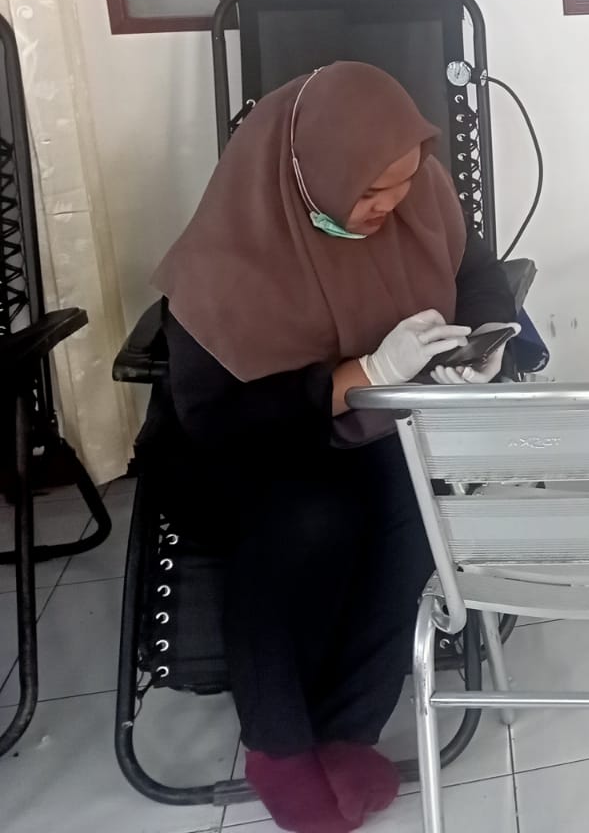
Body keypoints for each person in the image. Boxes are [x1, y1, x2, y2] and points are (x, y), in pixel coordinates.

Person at [140, 62, 516, 833]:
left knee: (416, 506)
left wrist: (482, 342)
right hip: (245, 446)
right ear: (313, 176)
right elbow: (218, 421)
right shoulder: (225, 257)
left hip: (375, 425)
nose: (392, 206)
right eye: (372, 191)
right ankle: (278, 745)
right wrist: (359, 377)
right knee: (312, 517)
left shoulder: (421, 196)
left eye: (405, 184)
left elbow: (477, 272)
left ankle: (348, 729)